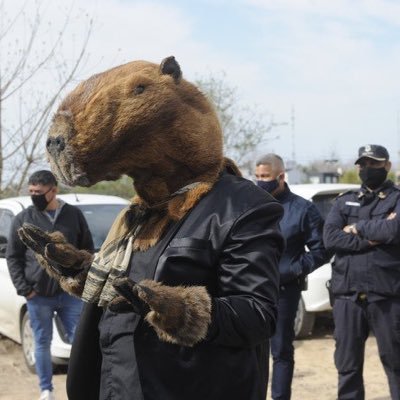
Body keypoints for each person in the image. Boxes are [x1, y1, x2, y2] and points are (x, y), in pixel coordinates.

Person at [6, 170, 94, 400]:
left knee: (79, 341)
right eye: (31, 191)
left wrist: (81, 283)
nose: (33, 195)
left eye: (38, 192)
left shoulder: (73, 215)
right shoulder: (23, 219)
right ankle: (46, 390)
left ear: (53, 190)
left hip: (70, 294)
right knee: (42, 341)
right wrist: (25, 289)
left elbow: (88, 250)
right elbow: (13, 257)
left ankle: (81, 388)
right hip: (39, 295)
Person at [323, 144, 400, 400]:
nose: (368, 169)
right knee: (347, 366)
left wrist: (356, 228)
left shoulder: (397, 199)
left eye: (374, 164)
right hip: (347, 296)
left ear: (387, 166)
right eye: (363, 164)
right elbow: (330, 238)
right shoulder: (344, 200)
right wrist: (370, 239)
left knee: (396, 362)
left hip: (386, 294)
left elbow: (393, 231)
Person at [255, 154, 329, 400]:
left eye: (265, 177)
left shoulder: (303, 209)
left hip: (285, 292)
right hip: (252, 291)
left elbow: (321, 250)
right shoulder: (252, 206)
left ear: (281, 176)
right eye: (257, 176)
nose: (260, 181)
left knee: (281, 352)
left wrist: (294, 270)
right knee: (252, 351)